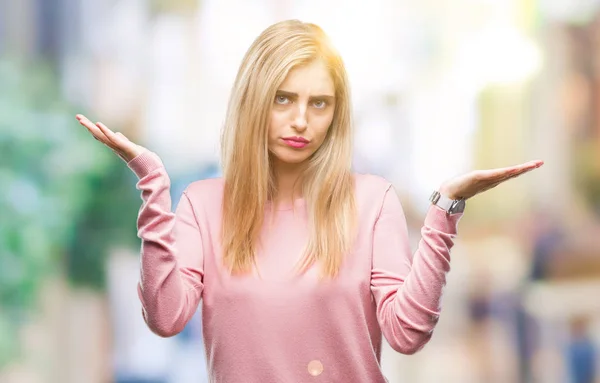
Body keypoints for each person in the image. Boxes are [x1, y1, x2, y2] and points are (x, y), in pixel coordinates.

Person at [76, 19, 543, 383]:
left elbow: (407, 333)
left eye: (319, 103)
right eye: (283, 99)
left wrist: (446, 210)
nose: (301, 120)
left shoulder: (372, 200)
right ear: (254, 101)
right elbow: (165, 316)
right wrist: (152, 185)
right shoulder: (203, 204)